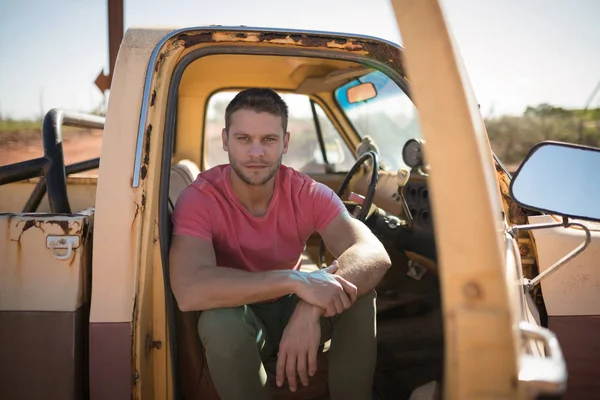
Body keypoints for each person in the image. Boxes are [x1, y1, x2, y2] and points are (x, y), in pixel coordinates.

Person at [169, 88, 391, 400]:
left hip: (291, 305)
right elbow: (189, 290)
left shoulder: (307, 192)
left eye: (269, 140)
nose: (256, 152)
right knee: (219, 322)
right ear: (225, 140)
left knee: (356, 296)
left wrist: (309, 307)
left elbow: (373, 254)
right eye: (243, 138)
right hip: (238, 309)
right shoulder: (201, 198)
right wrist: (296, 280)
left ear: (285, 142)